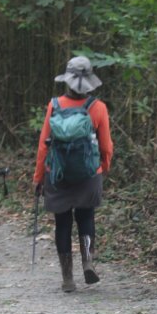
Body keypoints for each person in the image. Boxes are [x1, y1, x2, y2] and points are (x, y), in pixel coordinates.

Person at [33, 56, 113, 291]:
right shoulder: (98, 107)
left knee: (62, 223)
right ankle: (87, 261)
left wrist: (38, 176)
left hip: (57, 174)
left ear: (67, 80)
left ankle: (67, 278)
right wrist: (103, 167)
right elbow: (106, 146)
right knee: (86, 218)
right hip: (88, 174)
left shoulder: (54, 105)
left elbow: (43, 145)